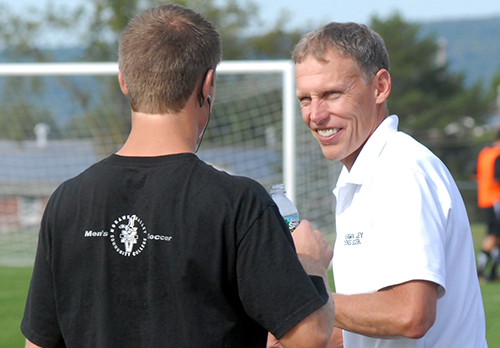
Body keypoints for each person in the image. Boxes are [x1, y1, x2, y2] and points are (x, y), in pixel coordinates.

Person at [21, 4, 335, 348]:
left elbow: (39, 343)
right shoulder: (238, 203)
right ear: (208, 84)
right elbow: (311, 337)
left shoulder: (66, 201)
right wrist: (312, 266)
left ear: (124, 82)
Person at [291, 22, 487, 347]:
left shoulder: (399, 170)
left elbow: (411, 314)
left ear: (380, 87)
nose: (315, 114)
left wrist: (305, 294)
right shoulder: (363, 174)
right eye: (305, 99)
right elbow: (378, 330)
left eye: (331, 94)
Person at [476, 130, 500, 281]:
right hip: (496, 199)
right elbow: (497, 177)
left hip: (485, 198)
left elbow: (475, 173)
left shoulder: (485, 153)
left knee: (496, 235)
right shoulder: (498, 154)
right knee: (493, 235)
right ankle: (481, 270)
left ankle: (491, 272)